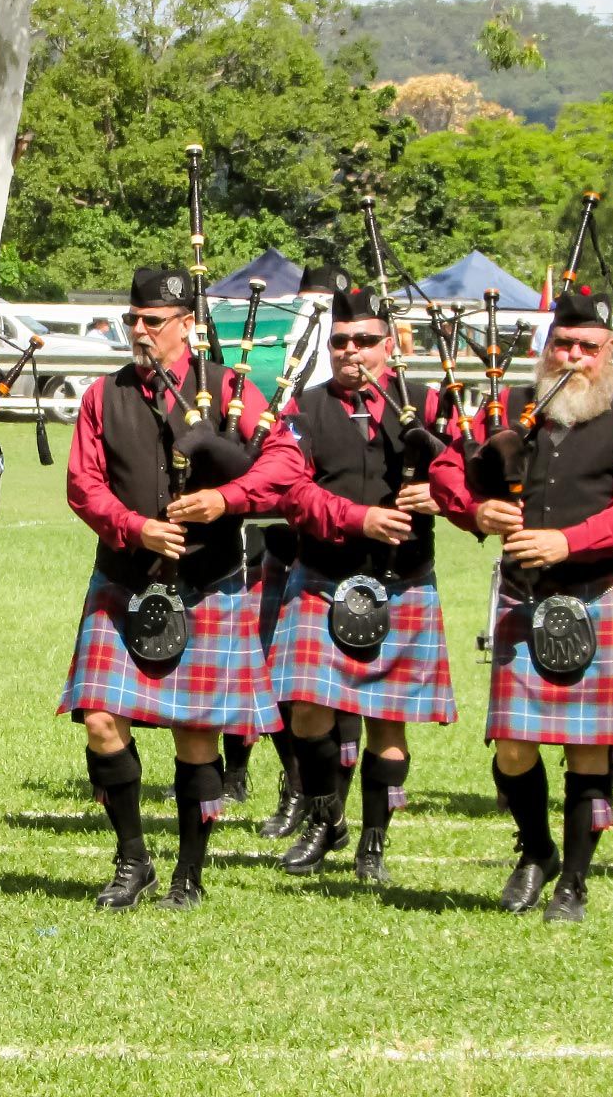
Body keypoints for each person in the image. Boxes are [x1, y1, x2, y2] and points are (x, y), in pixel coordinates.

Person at [59, 265, 305, 910]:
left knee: (196, 733)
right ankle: (132, 858)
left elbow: (284, 461)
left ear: (186, 325)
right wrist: (133, 527)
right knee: (102, 722)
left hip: (208, 580)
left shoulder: (227, 389)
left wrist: (226, 500)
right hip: (124, 577)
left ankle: (189, 875)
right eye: (132, 320)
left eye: (153, 321)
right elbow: (84, 484)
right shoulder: (102, 396)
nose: (139, 331)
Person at [425, 289, 613, 921]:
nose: (574, 357)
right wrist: (475, 509)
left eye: (589, 348)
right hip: (524, 594)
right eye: (563, 344)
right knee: (513, 745)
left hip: (603, 590)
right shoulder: (510, 406)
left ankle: (575, 883)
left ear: (610, 352)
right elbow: (447, 468)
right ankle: (536, 850)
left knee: (588, 747)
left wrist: (568, 540)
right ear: (546, 346)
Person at [266, 282, 456, 884]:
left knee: (388, 722)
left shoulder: (423, 404)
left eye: (366, 340)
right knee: (307, 716)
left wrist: (443, 491)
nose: (353, 351)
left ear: (390, 344)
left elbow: (472, 472)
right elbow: (291, 492)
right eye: (342, 341)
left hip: (403, 581)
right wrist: (359, 518)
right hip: (323, 573)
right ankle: (327, 818)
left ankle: (373, 841)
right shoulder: (305, 407)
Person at [244, 262, 360, 838]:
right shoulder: (272, 361)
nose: (318, 316)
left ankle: (329, 805)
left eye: (328, 307)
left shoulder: (358, 375)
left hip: (354, 553)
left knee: (348, 691)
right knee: (283, 683)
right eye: (312, 303)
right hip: (283, 541)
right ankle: (299, 791)